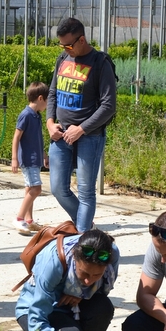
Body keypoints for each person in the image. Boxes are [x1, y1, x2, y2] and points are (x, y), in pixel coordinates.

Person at [46, 17, 117, 233]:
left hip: (90, 136)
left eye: (68, 45)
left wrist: (82, 128)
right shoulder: (63, 59)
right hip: (60, 135)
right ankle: (86, 228)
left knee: (86, 192)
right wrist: (50, 123)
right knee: (58, 188)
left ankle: (82, 238)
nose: (66, 49)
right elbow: (52, 94)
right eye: (62, 45)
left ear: (82, 40)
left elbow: (109, 105)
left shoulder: (100, 63)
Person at [15, 229, 119, 331]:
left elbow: (101, 290)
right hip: (37, 310)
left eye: (97, 275)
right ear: (74, 257)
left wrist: (81, 292)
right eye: (84, 273)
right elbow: (36, 319)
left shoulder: (111, 252)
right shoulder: (52, 262)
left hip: (73, 305)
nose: (89, 281)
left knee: (103, 308)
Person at [11, 81, 50, 235]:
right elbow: (16, 137)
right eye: (47, 101)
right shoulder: (26, 115)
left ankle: (29, 220)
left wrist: (44, 155)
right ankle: (19, 218)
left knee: (29, 188)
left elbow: (37, 139)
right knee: (36, 189)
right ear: (41, 98)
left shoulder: (36, 116)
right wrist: (14, 158)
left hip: (35, 159)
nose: (47, 105)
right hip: (28, 159)